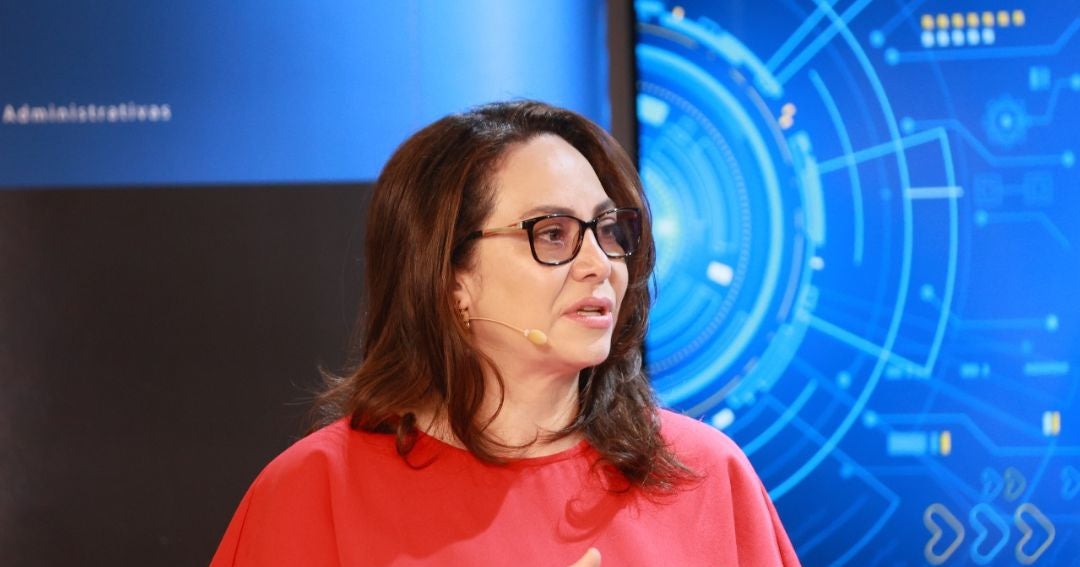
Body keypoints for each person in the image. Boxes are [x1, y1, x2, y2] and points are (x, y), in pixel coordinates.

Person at [211, 101, 800, 566]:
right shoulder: (313, 492)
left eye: (608, 230)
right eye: (552, 234)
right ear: (451, 278)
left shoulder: (706, 475)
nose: (599, 263)